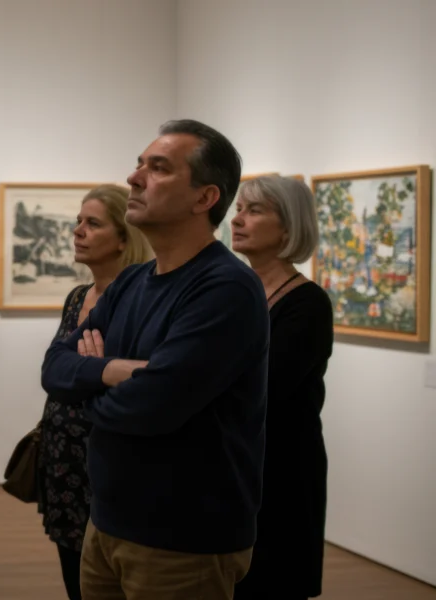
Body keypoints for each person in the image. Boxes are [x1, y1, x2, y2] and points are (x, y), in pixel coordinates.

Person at [41, 119, 267, 600]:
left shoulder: (225, 288)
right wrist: (115, 372)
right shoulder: (130, 281)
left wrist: (87, 393)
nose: (134, 178)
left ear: (205, 198)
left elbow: (153, 406)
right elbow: (54, 368)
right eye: (140, 164)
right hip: (106, 523)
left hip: (182, 538)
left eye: (158, 168)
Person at [34, 184, 152, 600]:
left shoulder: (139, 301)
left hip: (107, 460)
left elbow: (136, 385)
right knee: (75, 577)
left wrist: (86, 371)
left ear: (124, 237)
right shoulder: (78, 297)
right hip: (63, 460)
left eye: (93, 223)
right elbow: (53, 370)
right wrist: (96, 369)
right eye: (77, 222)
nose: (77, 231)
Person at [229, 175, 332, 600]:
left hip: (283, 468)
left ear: (288, 227)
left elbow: (265, 386)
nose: (237, 219)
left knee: (273, 580)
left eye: (254, 211)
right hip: (239, 459)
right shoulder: (240, 291)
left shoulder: (307, 303)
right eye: (238, 209)